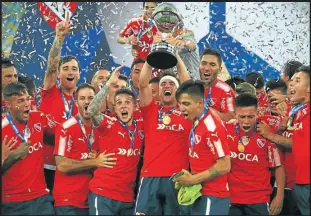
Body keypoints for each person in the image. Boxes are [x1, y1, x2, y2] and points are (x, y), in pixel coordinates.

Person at [134, 49, 192, 215]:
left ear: (179, 90)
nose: (167, 86)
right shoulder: (151, 109)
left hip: (177, 178)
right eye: (163, 84)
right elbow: (142, 84)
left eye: (172, 83)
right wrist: (152, 57)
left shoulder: (187, 112)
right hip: (150, 177)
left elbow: (187, 84)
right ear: (158, 91)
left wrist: (176, 56)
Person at [87, 67, 144, 215]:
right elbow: (92, 110)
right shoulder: (108, 123)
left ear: (135, 106)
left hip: (127, 198)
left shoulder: (142, 126)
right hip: (103, 194)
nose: (123, 105)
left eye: (127, 102)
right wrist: (108, 85)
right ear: (115, 107)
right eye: (119, 103)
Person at [53, 83, 115, 215]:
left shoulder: (104, 128)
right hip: (68, 201)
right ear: (76, 103)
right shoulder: (65, 128)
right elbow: (62, 165)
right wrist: (94, 162)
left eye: (91, 98)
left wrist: (97, 159)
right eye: (82, 98)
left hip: (93, 199)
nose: (87, 102)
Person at [258, 65, 310, 215]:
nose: (291, 83)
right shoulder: (295, 110)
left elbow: (299, 143)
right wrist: (282, 127)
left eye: (297, 80)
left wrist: (270, 135)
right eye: (291, 80)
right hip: (291, 183)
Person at [174, 80, 231, 215]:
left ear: (200, 103)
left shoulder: (211, 127)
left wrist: (193, 179)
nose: (181, 108)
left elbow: (225, 165)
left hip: (213, 195)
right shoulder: (197, 120)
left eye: (186, 104)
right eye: (180, 104)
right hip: (200, 193)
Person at [225, 94, 285, 215]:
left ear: (258, 113)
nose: (246, 121)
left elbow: (278, 166)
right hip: (230, 197)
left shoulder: (267, 133)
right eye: (242, 116)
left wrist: (279, 196)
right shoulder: (225, 130)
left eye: (250, 116)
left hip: (259, 199)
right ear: (235, 113)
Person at [39, 12, 79, 193]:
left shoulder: (84, 98)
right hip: (46, 165)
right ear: (59, 74)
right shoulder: (50, 92)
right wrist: (59, 38)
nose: (70, 72)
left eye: (74, 69)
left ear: (78, 74)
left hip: (72, 165)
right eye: (65, 69)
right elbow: (51, 65)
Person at [2, 82, 55, 215]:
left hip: (41, 197)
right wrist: (14, 157)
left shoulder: (38, 118)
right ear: (8, 105)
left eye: (28, 99)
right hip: (13, 202)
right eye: (20, 101)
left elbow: (61, 134)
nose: (27, 104)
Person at [199, 48, 235, 122]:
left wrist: (204, 110)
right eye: (204, 63)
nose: (206, 68)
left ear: (219, 70)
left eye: (212, 64)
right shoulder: (191, 88)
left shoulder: (225, 90)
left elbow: (231, 118)